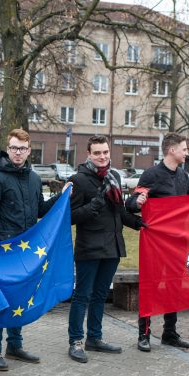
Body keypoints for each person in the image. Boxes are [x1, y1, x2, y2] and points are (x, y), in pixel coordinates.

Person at [0, 128, 61, 371]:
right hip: (2, 250)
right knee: (1, 300)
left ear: (29, 150)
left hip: (26, 250)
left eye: (23, 148)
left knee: (21, 296)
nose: (18, 152)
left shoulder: (33, 178)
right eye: (14, 148)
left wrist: (61, 196)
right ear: (8, 148)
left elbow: (39, 211)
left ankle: (14, 345)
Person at [67, 135, 144, 363]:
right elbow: (69, 217)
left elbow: (119, 212)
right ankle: (76, 341)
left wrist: (138, 224)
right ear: (89, 155)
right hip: (89, 248)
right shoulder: (79, 179)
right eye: (97, 153)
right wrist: (91, 208)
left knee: (100, 295)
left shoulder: (114, 176)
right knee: (82, 296)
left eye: (105, 152)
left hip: (112, 247)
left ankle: (95, 337)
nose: (102, 157)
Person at [126, 132, 189, 352]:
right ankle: (143, 334)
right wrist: (138, 202)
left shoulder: (183, 176)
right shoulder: (151, 174)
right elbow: (131, 203)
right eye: (184, 148)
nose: (186, 152)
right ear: (172, 150)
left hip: (178, 243)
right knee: (151, 287)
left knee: (174, 287)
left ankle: (169, 333)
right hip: (156, 244)